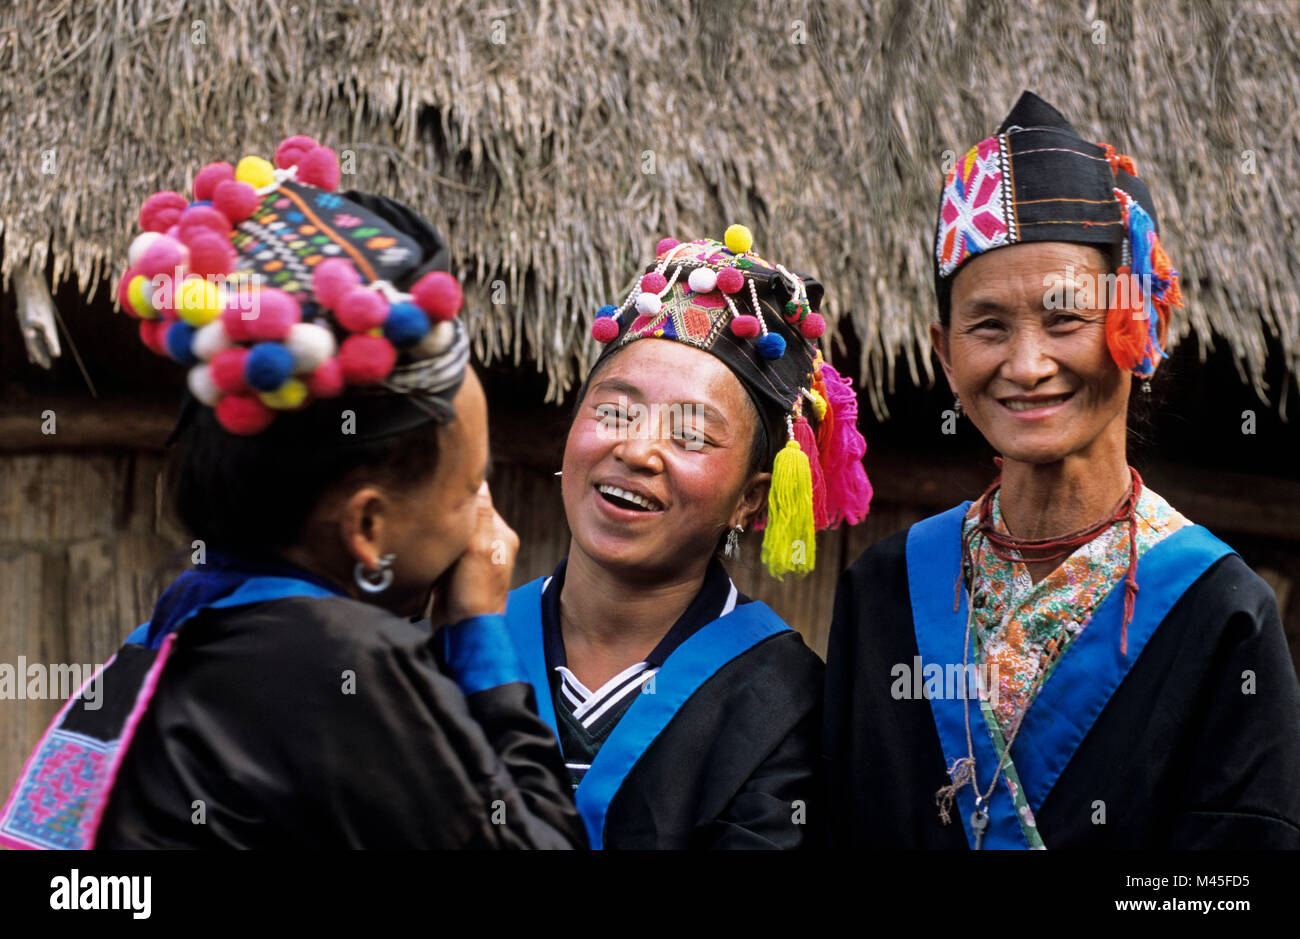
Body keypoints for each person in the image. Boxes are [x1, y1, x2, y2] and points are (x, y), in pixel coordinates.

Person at [0, 135, 585, 849]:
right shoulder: (345, 660)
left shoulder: (178, 625)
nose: (483, 523)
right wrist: (480, 628)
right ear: (367, 526)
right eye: (469, 489)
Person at [824, 91, 1300, 849]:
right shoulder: (884, 591)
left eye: (1065, 317)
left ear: (1145, 325)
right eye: (988, 326)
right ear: (944, 354)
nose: (1027, 364)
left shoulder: (1220, 615)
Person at [503, 228, 874, 848]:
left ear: (751, 498)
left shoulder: (786, 704)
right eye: (615, 412)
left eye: (692, 435)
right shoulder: (467, 645)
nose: (637, 449)